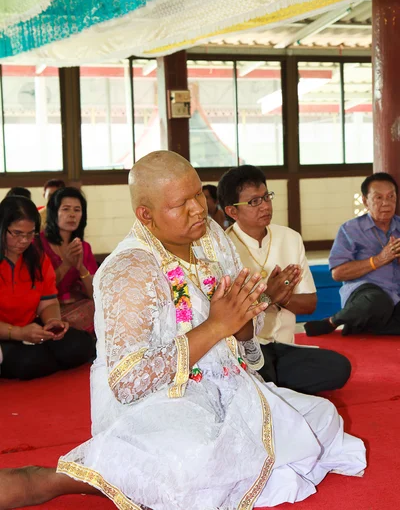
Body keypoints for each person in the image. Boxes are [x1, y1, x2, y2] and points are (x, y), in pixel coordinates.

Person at [0, 152, 365, 510]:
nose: (198, 209)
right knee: (196, 460)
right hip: (160, 404)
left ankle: (146, 475)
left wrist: (248, 314)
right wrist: (216, 326)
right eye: (181, 203)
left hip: (227, 383)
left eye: (197, 196)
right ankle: (66, 477)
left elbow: (242, 339)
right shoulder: (126, 270)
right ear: (147, 214)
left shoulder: (213, 238)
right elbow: (128, 382)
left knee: (320, 420)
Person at [217, 165, 351, 395]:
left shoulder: (290, 238)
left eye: (266, 196)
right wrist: (270, 295)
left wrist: (277, 296)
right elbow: (227, 316)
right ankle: (268, 385)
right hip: (244, 350)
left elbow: (310, 304)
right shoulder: (221, 248)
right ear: (232, 211)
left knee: (339, 367)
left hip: (284, 347)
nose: (266, 206)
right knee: (254, 370)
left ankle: (265, 387)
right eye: (254, 202)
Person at [0, 195, 95, 380]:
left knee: (80, 346)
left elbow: (48, 301)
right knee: (29, 363)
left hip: (30, 327)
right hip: (6, 332)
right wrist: (17, 333)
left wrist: (53, 322)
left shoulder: (37, 258)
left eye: (30, 234)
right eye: (17, 233)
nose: (24, 241)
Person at [305, 172, 400, 337]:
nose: (386, 203)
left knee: (387, 307)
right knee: (376, 302)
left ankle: (364, 325)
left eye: (391, 196)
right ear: (365, 201)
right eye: (378, 198)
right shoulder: (350, 229)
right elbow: (338, 273)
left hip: (396, 295)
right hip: (365, 294)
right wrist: (378, 260)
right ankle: (334, 321)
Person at [40, 187, 97, 332]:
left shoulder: (83, 247)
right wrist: (66, 264)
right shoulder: (38, 244)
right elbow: (40, 291)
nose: (72, 215)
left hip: (78, 308)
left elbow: (94, 294)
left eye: (77, 210)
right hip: (47, 312)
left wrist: (81, 268)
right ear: (54, 213)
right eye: (66, 209)